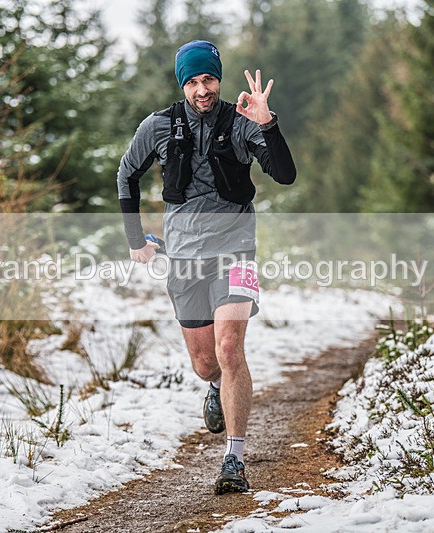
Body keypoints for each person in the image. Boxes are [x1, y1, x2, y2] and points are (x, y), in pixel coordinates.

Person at [116, 40, 296, 494]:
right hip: (183, 257)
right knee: (205, 363)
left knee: (230, 348)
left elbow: (285, 174)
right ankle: (213, 386)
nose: (202, 89)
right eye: (193, 81)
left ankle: (234, 459)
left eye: (209, 79)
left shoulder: (241, 122)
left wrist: (267, 124)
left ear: (219, 80)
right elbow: (126, 175)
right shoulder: (158, 126)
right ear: (183, 84)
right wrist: (136, 240)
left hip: (237, 252)